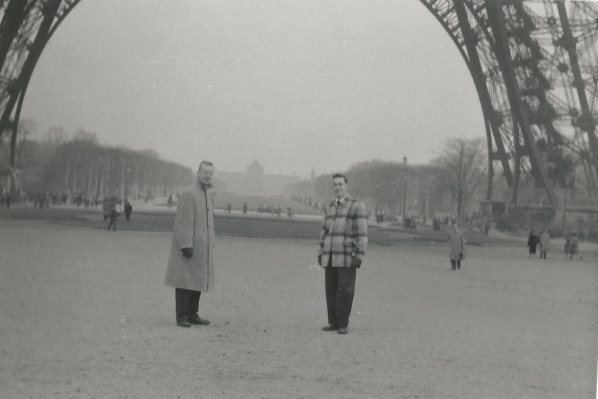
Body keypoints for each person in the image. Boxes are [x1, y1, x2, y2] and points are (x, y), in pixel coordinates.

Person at [164, 161, 215, 327]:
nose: (208, 176)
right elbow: (184, 222)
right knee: (185, 281)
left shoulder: (205, 193)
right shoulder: (190, 193)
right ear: (198, 172)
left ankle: (193, 313)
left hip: (200, 247)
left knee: (197, 281)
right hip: (190, 246)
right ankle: (182, 316)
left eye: (210, 173)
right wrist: (186, 244)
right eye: (205, 172)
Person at [318, 173, 368, 335]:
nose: (338, 187)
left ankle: (343, 324)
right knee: (330, 289)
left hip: (347, 255)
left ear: (346, 186)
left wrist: (359, 255)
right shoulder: (329, 205)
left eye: (340, 184)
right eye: (335, 185)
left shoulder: (356, 205)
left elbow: (362, 233)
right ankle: (333, 321)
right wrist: (321, 251)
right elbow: (323, 231)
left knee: (345, 290)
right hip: (330, 254)